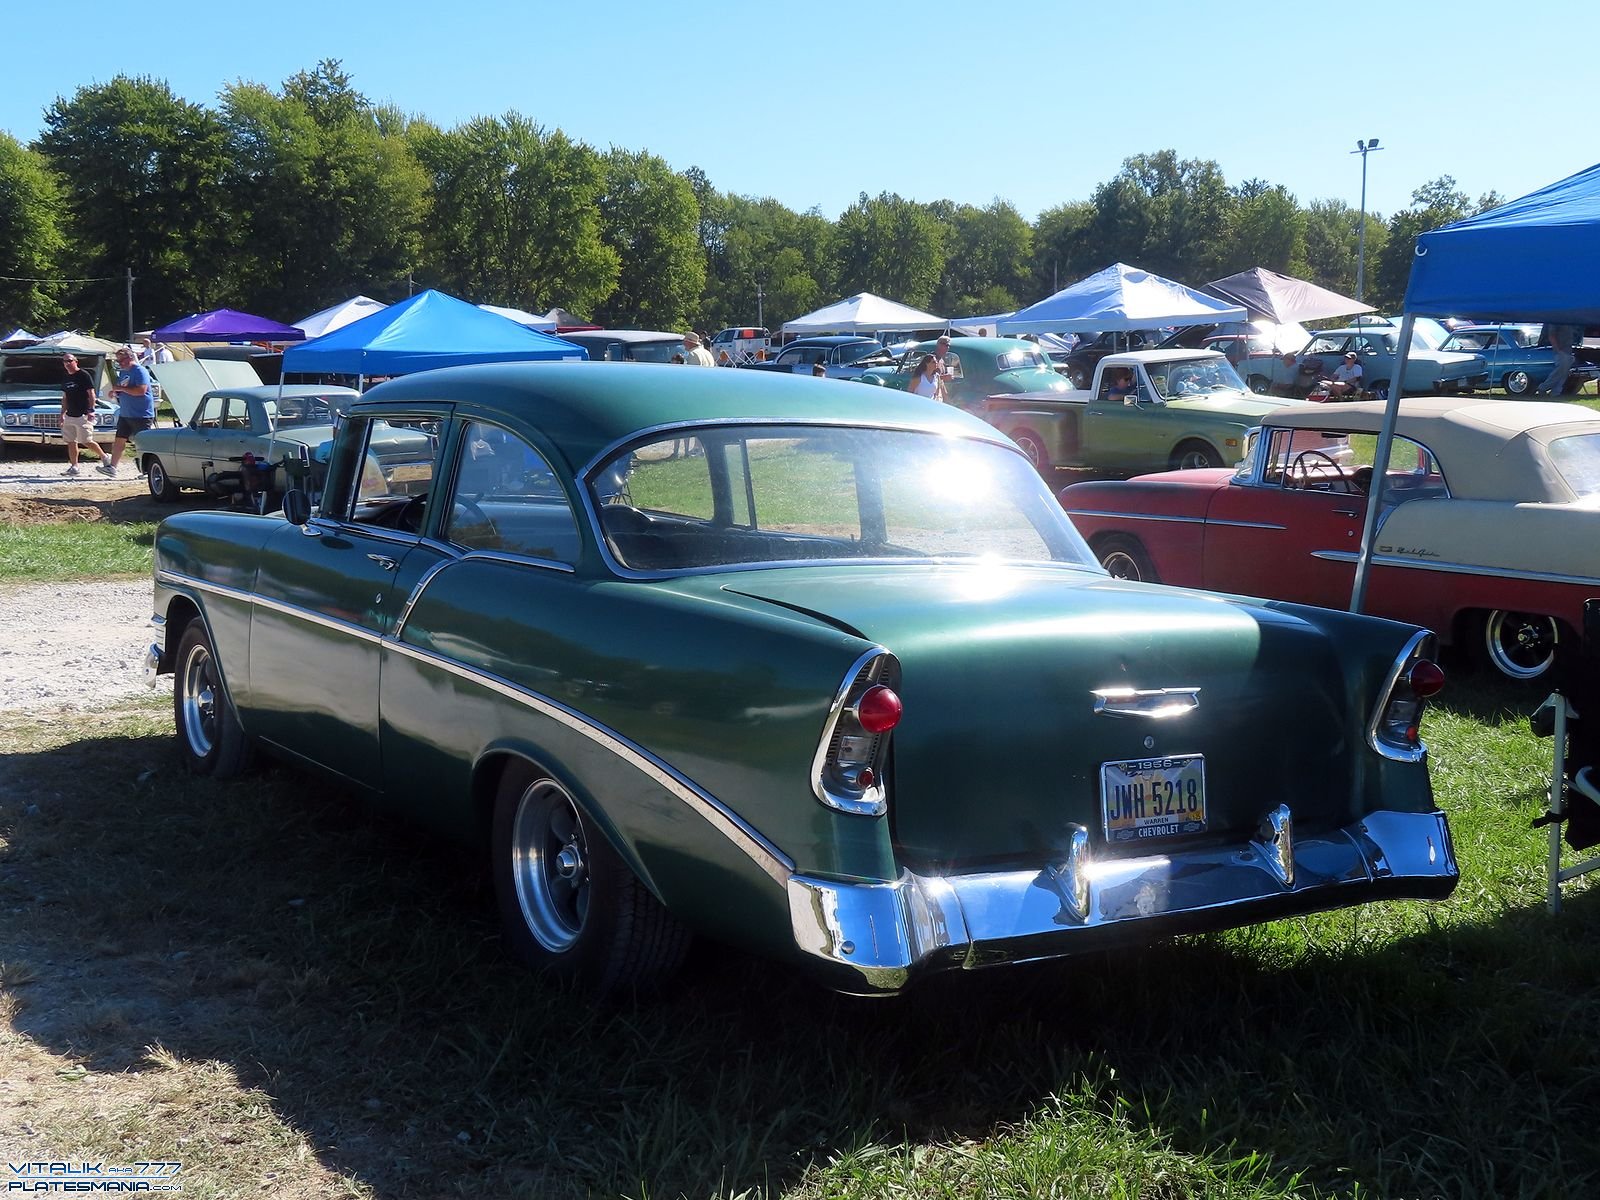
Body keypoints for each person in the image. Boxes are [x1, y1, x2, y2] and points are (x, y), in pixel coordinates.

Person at [97, 346, 154, 476]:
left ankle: (147, 470)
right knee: (119, 441)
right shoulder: (123, 372)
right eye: (118, 361)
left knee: (143, 443)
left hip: (141, 414)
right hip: (125, 413)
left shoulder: (140, 371)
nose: (120, 363)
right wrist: (116, 392)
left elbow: (141, 391)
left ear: (129, 358)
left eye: (121, 360)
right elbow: (122, 388)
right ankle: (112, 467)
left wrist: (121, 389)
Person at [58, 352, 104, 475]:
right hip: (70, 415)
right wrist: (62, 413)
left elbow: (91, 394)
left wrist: (91, 410)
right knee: (71, 441)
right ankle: (74, 467)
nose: (67, 364)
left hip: (82, 414)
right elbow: (65, 397)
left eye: (70, 361)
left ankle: (104, 456)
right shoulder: (66, 377)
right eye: (65, 361)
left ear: (76, 361)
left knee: (86, 440)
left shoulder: (83, 375)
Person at [1535, 324, 1579, 395]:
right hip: (1560, 351)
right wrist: (1558, 350)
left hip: (1568, 350)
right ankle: (1543, 387)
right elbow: (1551, 336)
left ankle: (1556, 392)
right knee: (1559, 372)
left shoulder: (1570, 321)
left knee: (1564, 373)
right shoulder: (1555, 321)